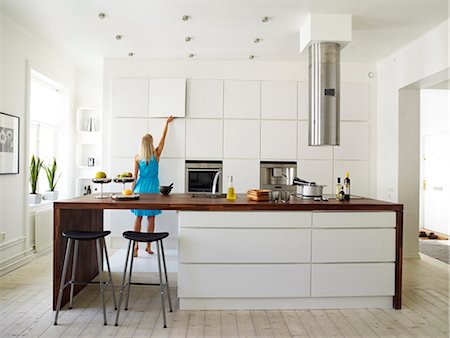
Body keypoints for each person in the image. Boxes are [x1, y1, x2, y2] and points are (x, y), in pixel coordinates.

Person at [131, 115, 174, 256]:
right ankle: (148, 246)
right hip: (152, 188)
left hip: (140, 188)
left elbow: (134, 177)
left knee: (138, 217)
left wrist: (132, 193)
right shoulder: (156, 154)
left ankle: (135, 246)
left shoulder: (137, 157)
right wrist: (166, 124)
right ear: (151, 144)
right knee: (151, 218)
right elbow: (163, 138)